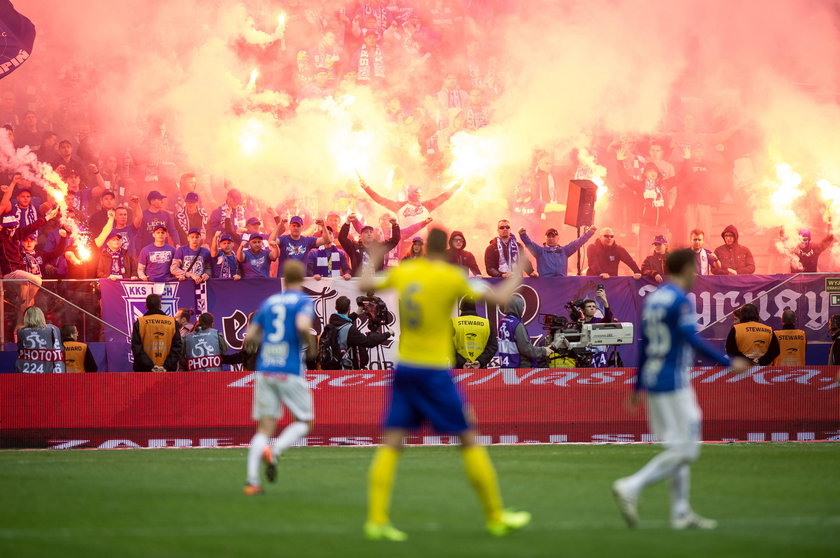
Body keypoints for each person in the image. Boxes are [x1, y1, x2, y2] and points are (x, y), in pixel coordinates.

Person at [359, 227, 532, 541]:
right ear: (447, 251)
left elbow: (365, 284)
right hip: (434, 372)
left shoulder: (407, 270)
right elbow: (502, 297)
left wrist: (372, 256)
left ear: (424, 248)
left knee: (392, 444)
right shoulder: (452, 276)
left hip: (405, 368)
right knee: (468, 438)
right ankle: (495, 516)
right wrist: (519, 268)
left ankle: (376, 519)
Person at [612, 249, 751, 530]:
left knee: (679, 446)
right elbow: (691, 339)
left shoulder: (654, 300)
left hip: (655, 380)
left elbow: (645, 345)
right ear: (687, 269)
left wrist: (637, 385)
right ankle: (631, 485)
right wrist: (727, 362)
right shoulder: (679, 300)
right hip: (673, 381)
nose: (696, 275)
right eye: (694, 269)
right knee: (688, 448)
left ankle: (680, 512)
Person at [243, 260, 318, 495]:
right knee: (305, 422)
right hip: (289, 368)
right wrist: (310, 344)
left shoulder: (269, 302)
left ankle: (252, 481)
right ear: (303, 278)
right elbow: (302, 324)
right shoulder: (303, 301)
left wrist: (258, 343)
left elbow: (250, 336)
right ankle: (274, 451)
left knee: (264, 427)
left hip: (265, 368)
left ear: (284, 278)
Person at [324, 295, 392, 370]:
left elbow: (343, 321)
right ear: (349, 308)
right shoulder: (350, 330)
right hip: (346, 371)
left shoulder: (332, 324)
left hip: (334, 369)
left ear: (336, 308)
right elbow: (369, 342)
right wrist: (388, 333)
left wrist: (356, 314)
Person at [131, 293, 182, 372]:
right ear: (160, 305)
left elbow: (136, 349)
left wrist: (151, 367)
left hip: (144, 371)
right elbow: (177, 347)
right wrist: (165, 367)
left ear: (146, 306)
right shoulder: (172, 322)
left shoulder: (139, 323)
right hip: (167, 372)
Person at [519, 225, 596, 278]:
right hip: (545, 286)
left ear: (558, 238)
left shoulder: (564, 250)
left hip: (561, 285)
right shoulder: (540, 251)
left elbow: (577, 243)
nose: (551, 238)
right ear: (545, 238)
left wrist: (589, 233)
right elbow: (529, 244)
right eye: (549, 236)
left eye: (553, 236)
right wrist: (523, 235)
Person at [497, 295, 552, 368]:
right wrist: (544, 351)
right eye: (522, 307)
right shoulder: (516, 324)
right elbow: (526, 348)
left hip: (506, 365)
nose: (523, 309)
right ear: (517, 307)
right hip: (519, 368)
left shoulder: (502, 321)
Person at [15, 306, 65, 373]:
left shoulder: (21, 332)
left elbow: (20, 349)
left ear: (26, 318)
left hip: (25, 370)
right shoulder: (52, 330)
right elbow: (58, 351)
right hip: (47, 371)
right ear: (42, 317)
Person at [453, 298, 497, 369]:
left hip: (458, 369)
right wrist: (480, 361)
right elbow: (493, 346)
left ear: (461, 310)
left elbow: (448, 346)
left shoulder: (453, 323)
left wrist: (462, 363)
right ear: (475, 309)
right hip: (480, 369)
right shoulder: (487, 323)